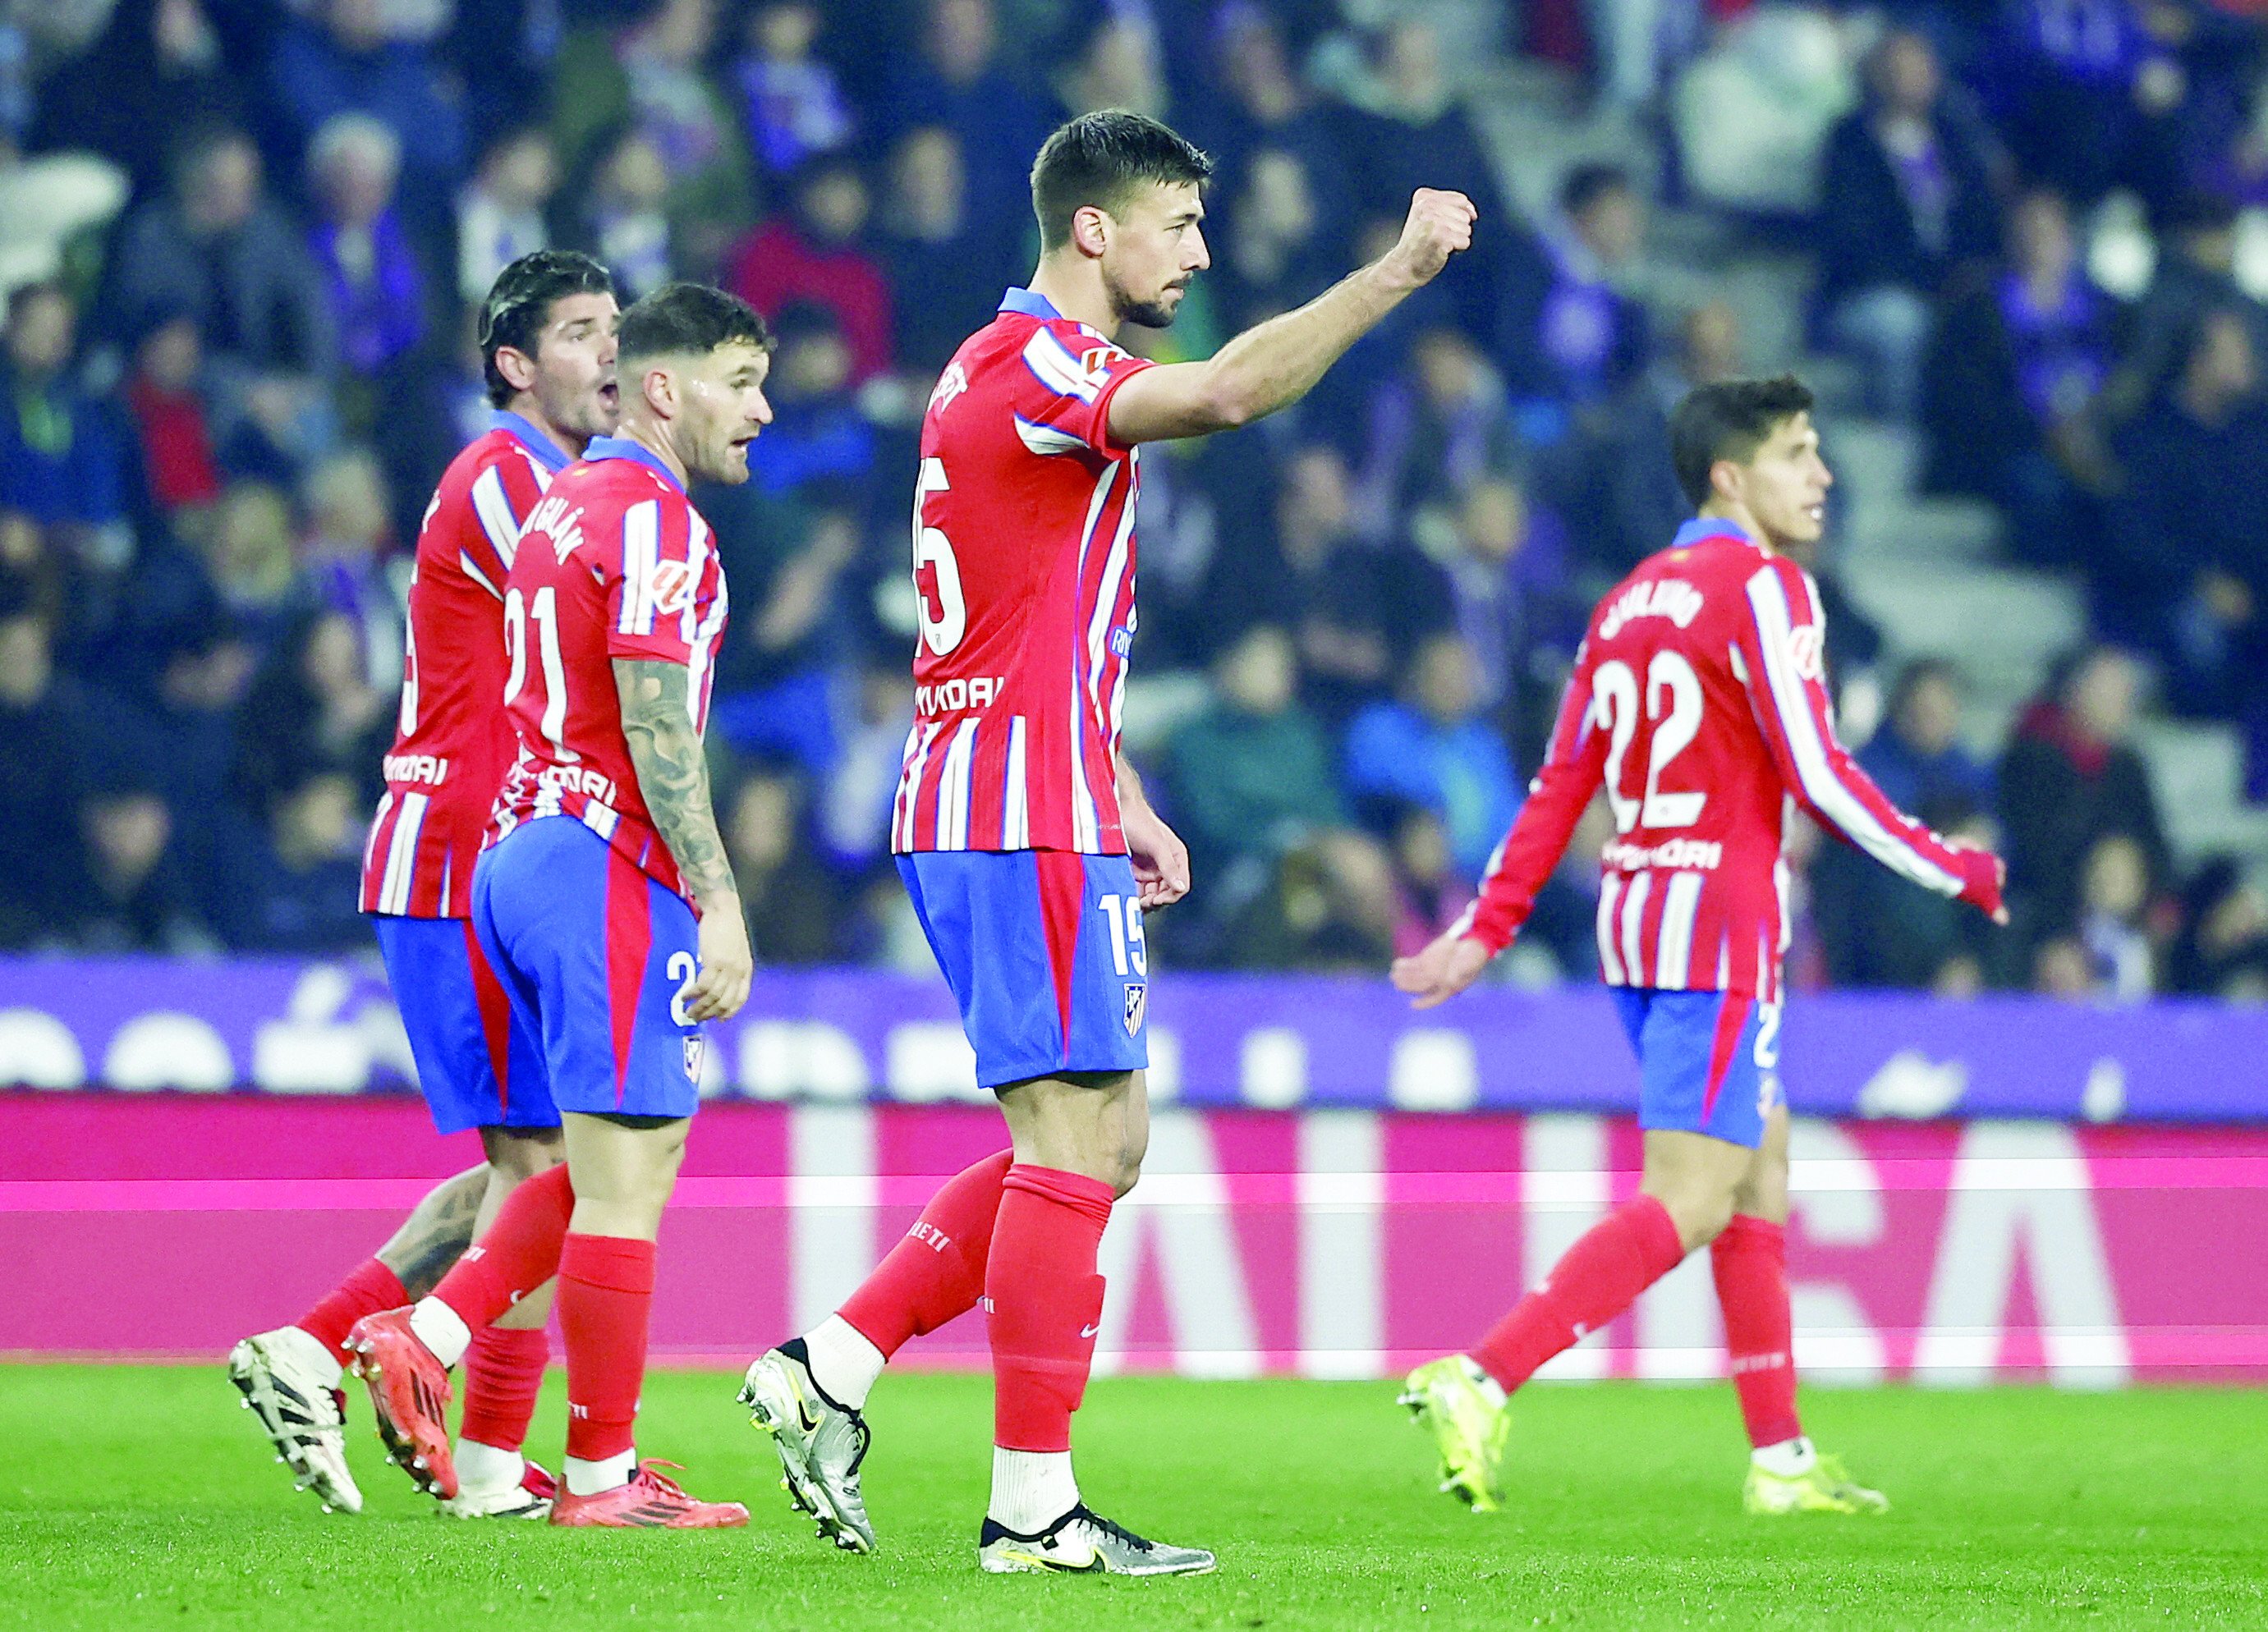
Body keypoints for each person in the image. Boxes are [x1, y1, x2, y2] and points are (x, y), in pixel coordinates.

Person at [734, 108, 1473, 1576]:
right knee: (1066, 1145)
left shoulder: (1015, 367)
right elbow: (1223, 397)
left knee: (1104, 1143)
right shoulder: (1041, 365)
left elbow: (1031, 613)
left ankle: (832, 1364)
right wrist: (1389, 272)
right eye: (1177, 225)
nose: (1197, 251)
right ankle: (1029, 1511)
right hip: (1003, 806)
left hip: (1047, 786)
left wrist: (1118, 782)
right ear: (1093, 230)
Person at [1390, 376, 2007, 1516]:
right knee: (1690, 1194)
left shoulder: (1627, 599)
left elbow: (1560, 783)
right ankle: (1479, 1375)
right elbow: (1815, 773)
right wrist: (1951, 861)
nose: (1822, 476)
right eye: (1798, 453)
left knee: (1757, 1169)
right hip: (1717, 923)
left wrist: (1483, 931)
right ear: (1731, 475)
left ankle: (1776, 1460)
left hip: (1636, 914)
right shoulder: (1767, 588)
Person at [345, 282, 772, 1530]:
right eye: (738, 383)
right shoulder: (652, 521)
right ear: (662, 388)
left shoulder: (560, 506)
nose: (761, 410)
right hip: (601, 858)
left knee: (600, 1166)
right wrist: (719, 897)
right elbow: (652, 719)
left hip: (519, 854)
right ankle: (575, 1459)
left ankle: (463, 1363)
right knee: (629, 1177)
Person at [226, 251, 620, 1520]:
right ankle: (464, 1434)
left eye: (618, 329)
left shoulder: (554, 481)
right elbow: (591, 608)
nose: (609, 354)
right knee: (556, 1164)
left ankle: (330, 1357)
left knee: (532, 1166)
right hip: (461, 851)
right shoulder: (510, 475)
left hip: (490, 848)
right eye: (578, 333)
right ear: (514, 364)